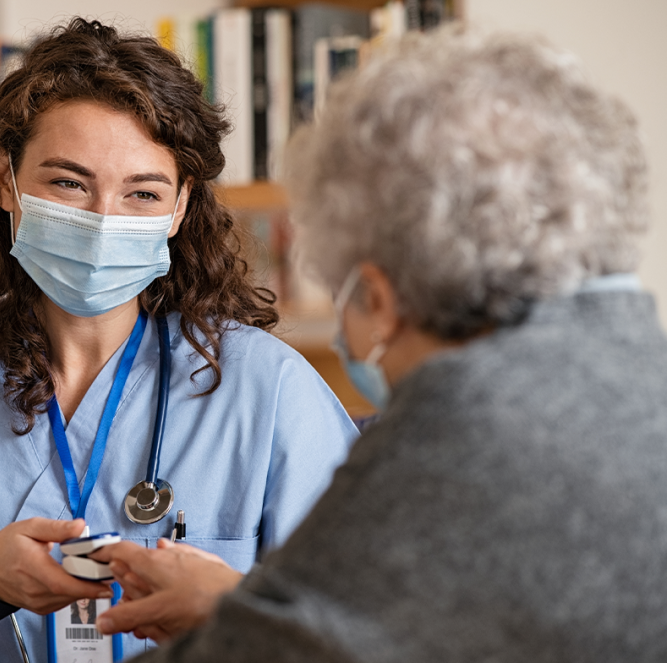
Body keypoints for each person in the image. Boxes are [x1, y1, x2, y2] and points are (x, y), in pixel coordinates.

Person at [93, 23, 667, 661]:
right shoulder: (636, 361)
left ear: (381, 301)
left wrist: (236, 618)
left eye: (342, 293)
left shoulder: (456, 426)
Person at [0, 18, 357, 663]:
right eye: (68, 183)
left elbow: (368, 632)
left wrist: (230, 608)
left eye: (143, 193)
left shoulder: (268, 388)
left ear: (180, 207)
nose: (102, 221)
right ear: (5, 178)